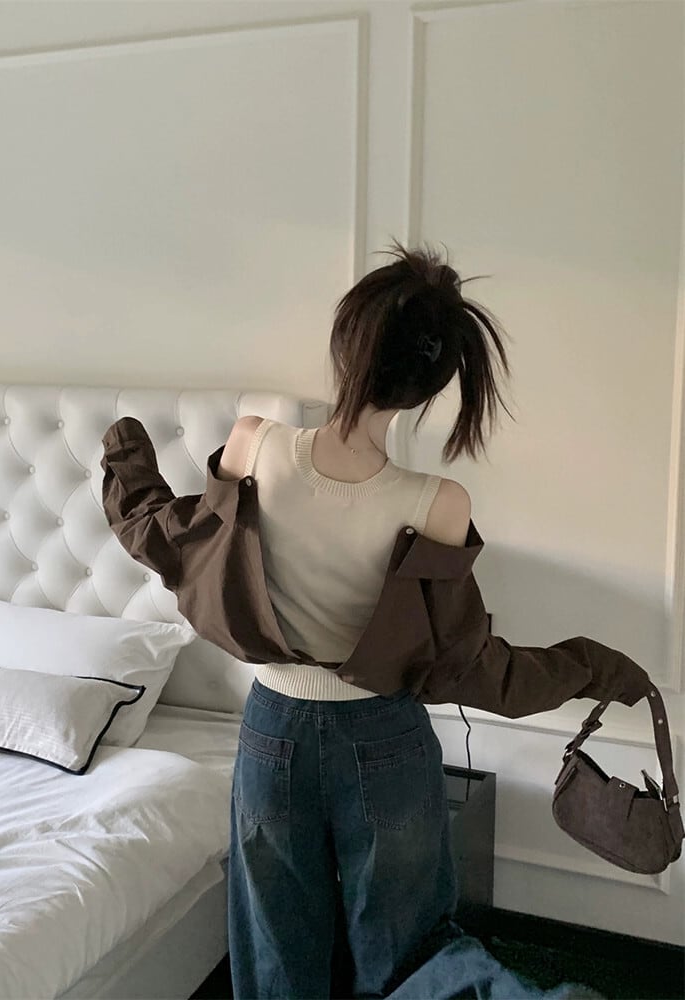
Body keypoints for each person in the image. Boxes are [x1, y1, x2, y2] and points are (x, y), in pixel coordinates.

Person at [100, 242, 651, 1000]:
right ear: (431, 387)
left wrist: (125, 454)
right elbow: (472, 667)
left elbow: (175, 546)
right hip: (383, 742)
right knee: (408, 957)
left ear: (345, 346)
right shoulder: (439, 504)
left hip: (272, 733)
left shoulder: (253, 442)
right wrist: (595, 667)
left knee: (275, 957)